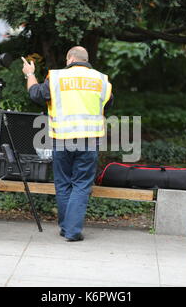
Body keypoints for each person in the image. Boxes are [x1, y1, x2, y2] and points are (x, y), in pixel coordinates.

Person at [21, 46, 113, 242]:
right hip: (89, 140)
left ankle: (67, 229)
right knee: (81, 185)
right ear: (85, 59)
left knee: (63, 184)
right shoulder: (101, 79)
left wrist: (30, 74)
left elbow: (36, 94)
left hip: (62, 139)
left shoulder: (56, 77)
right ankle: (71, 230)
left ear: (70, 58)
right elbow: (108, 103)